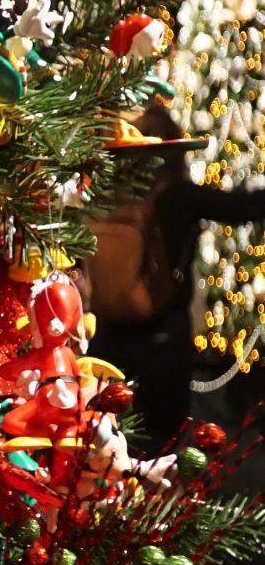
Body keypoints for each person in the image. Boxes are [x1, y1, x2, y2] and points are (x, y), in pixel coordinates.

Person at [87, 103, 265, 445]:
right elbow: (241, 209)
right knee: (162, 434)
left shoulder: (108, 196)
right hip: (161, 333)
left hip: (108, 330)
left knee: (107, 428)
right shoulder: (178, 195)